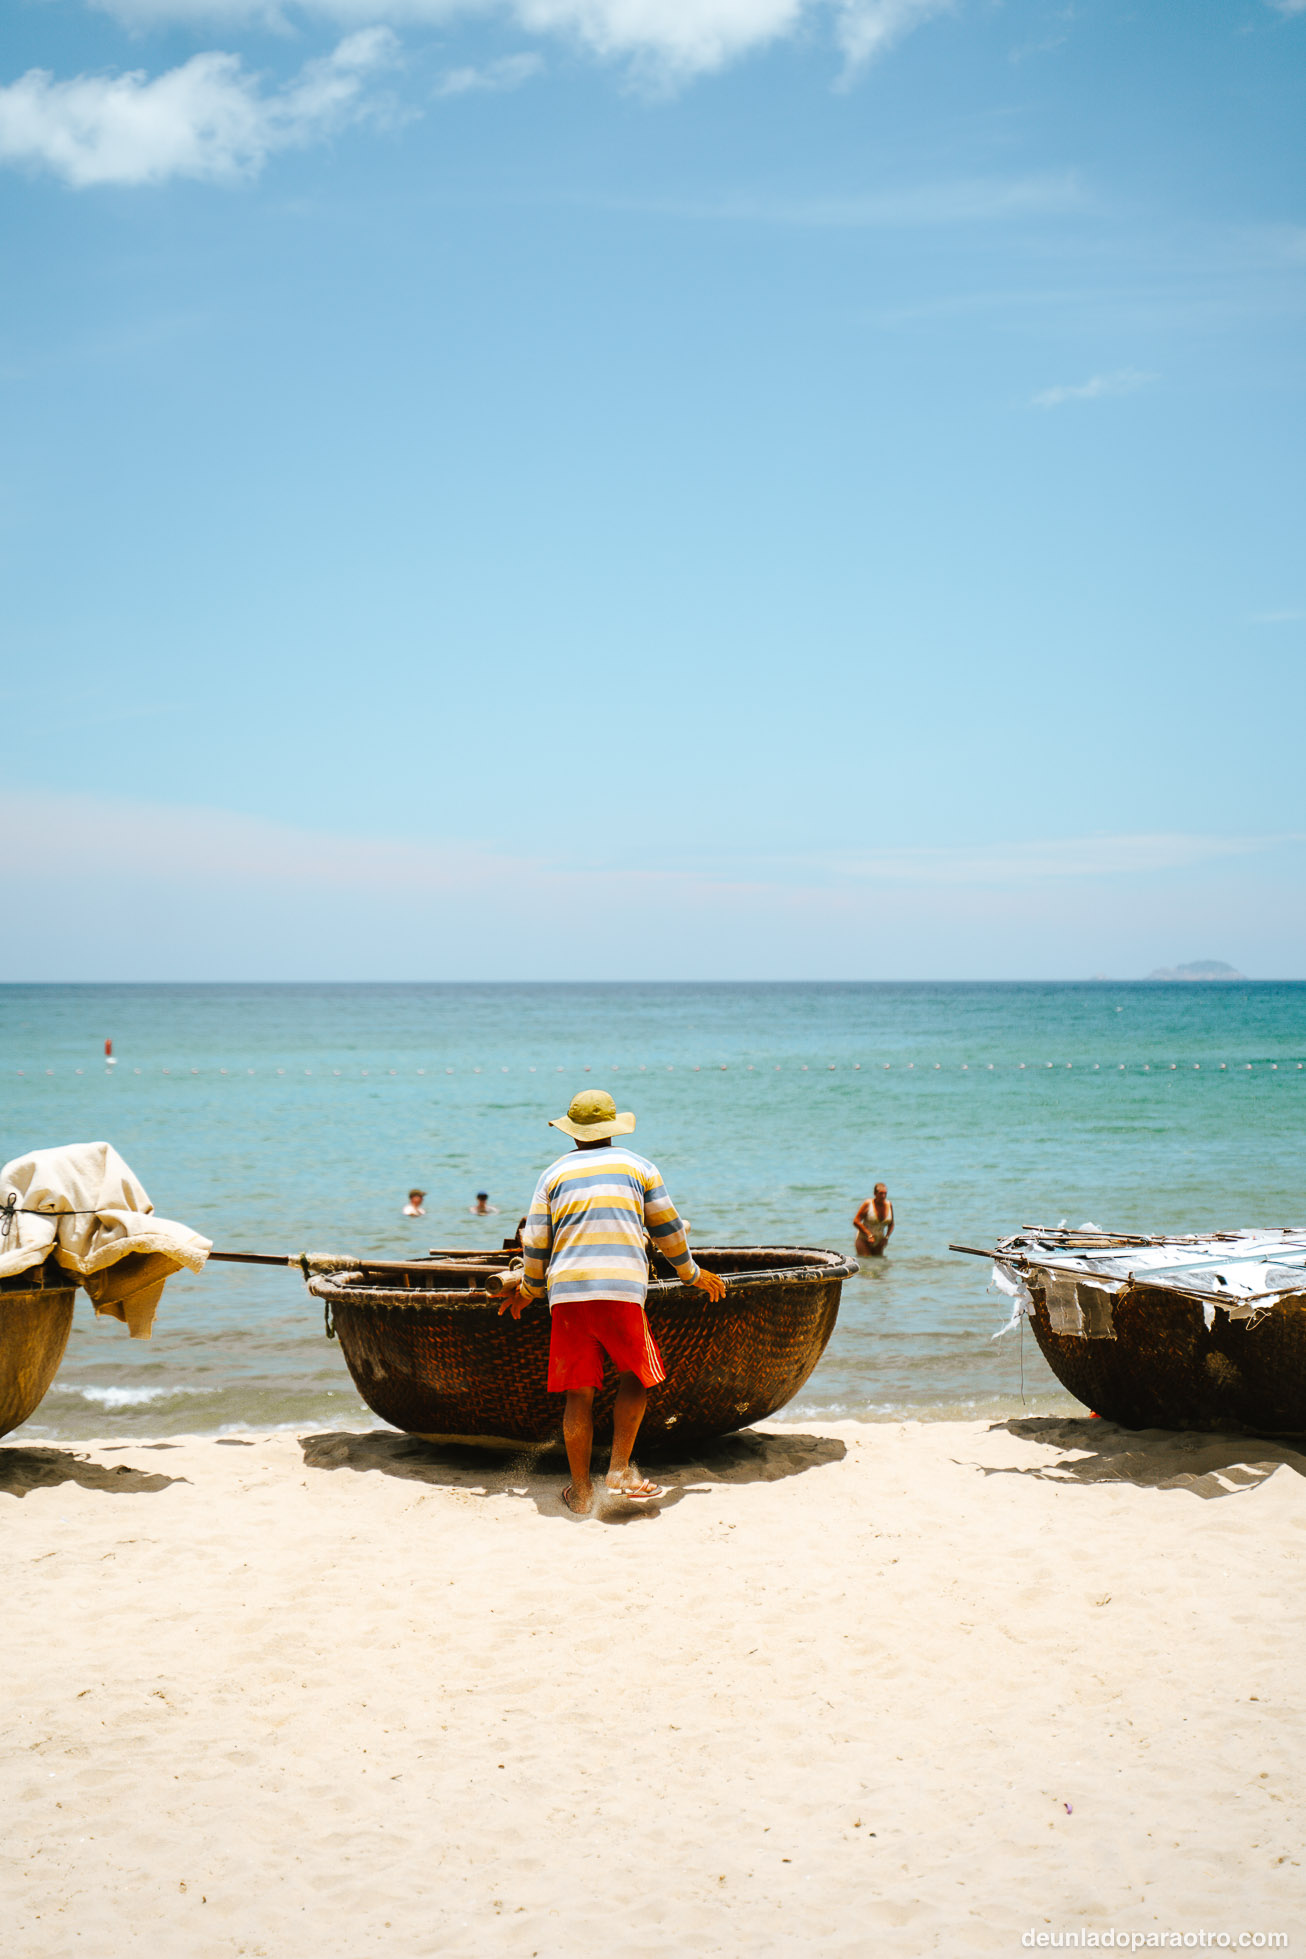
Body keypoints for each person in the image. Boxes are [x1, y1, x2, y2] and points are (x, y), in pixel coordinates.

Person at [498, 1088, 726, 1516]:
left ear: (571, 1131)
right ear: (613, 1128)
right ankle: (619, 1470)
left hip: (567, 1295)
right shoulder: (640, 1167)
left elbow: (536, 1242)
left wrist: (528, 1290)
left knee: (578, 1395)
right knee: (636, 1377)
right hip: (621, 1291)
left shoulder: (552, 1175)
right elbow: (668, 1229)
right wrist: (691, 1273)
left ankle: (581, 1492)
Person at [853, 1183, 894, 1257]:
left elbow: (891, 1224)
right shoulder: (868, 1204)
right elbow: (856, 1221)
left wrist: (886, 1237)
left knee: (878, 1264)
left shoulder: (889, 1204)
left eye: (885, 1194)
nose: (883, 1196)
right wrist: (868, 1234)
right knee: (867, 1262)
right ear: (875, 1193)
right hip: (863, 1239)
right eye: (881, 1193)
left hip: (879, 1240)